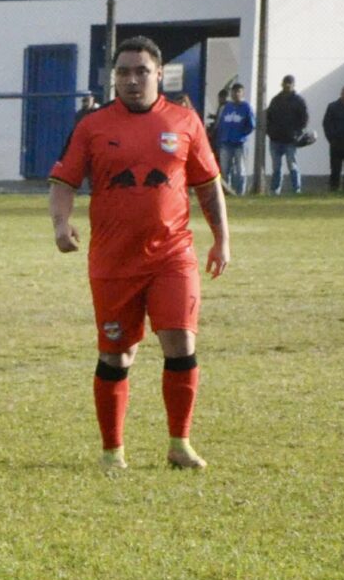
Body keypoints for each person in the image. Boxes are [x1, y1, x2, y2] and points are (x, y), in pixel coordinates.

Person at [48, 35, 230, 474]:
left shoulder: (185, 122)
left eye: (141, 71)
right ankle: (113, 452)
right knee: (116, 355)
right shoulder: (92, 126)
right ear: (114, 78)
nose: (132, 80)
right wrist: (60, 223)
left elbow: (207, 184)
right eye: (124, 72)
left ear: (159, 74)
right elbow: (64, 181)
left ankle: (179, 444)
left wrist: (222, 238)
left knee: (181, 342)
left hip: (173, 255)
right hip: (113, 262)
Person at [261, 75, 308, 196]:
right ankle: (275, 190)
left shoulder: (299, 101)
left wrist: (298, 133)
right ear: (282, 84)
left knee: (292, 165)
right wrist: (269, 132)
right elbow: (268, 117)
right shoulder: (275, 100)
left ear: (293, 85)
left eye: (290, 83)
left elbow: (304, 119)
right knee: (276, 168)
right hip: (275, 139)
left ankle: (296, 189)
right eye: (285, 83)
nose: (287, 85)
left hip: (290, 140)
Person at [213, 83, 255, 195]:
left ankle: (240, 192)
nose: (236, 94)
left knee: (240, 170)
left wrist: (241, 135)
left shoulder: (246, 107)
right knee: (225, 169)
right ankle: (227, 192)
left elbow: (251, 125)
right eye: (234, 92)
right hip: (226, 143)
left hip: (239, 144)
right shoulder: (227, 107)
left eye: (238, 92)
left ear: (242, 93)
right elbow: (221, 124)